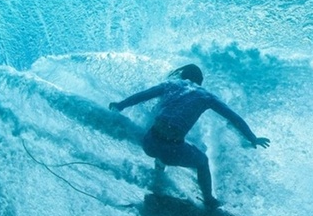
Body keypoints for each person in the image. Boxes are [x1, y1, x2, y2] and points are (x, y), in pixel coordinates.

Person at [109, 64, 269, 208]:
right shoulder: (206, 96)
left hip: (149, 143)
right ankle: (208, 200)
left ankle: (159, 175)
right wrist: (252, 138)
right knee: (202, 162)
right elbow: (233, 118)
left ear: (182, 76)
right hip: (172, 152)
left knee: (159, 134)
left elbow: (142, 95)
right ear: (200, 81)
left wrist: (120, 105)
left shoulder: (171, 84)